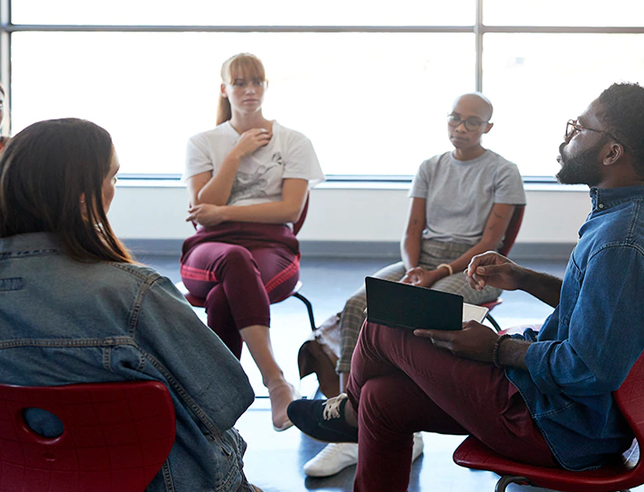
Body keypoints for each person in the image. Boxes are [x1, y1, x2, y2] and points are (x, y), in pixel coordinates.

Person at [287, 82, 644, 492]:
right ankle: (357, 410)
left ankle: (346, 415)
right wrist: (524, 279)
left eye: (581, 128)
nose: (569, 136)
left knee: (381, 324)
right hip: (570, 411)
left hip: (557, 425)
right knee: (380, 400)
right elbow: (608, 315)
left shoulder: (622, 244)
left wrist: (496, 349)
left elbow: (591, 368)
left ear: (613, 153)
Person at [0, 118, 260, 492]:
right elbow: (227, 398)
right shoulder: (133, 294)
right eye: (113, 178)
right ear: (83, 193)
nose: (113, 189)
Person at [300, 92, 527, 478]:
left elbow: (491, 243)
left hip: (475, 266)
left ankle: (407, 426)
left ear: (488, 127)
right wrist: (412, 271)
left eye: (472, 121)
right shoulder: (430, 165)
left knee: (422, 309)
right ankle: (347, 423)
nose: (461, 126)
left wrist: (434, 274)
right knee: (360, 303)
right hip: (422, 259)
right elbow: (411, 232)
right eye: (455, 118)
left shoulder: (503, 171)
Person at [181, 53, 325, 432]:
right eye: (240, 83)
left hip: (272, 247)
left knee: (223, 296)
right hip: (208, 248)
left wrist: (225, 213)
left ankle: (216, 405)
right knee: (233, 259)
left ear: (265, 87)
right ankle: (276, 381)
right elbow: (201, 209)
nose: (249, 90)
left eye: (256, 82)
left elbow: (289, 210)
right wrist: (236, 154)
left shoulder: (293, 141)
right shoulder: (202, 142)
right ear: (224, 89)